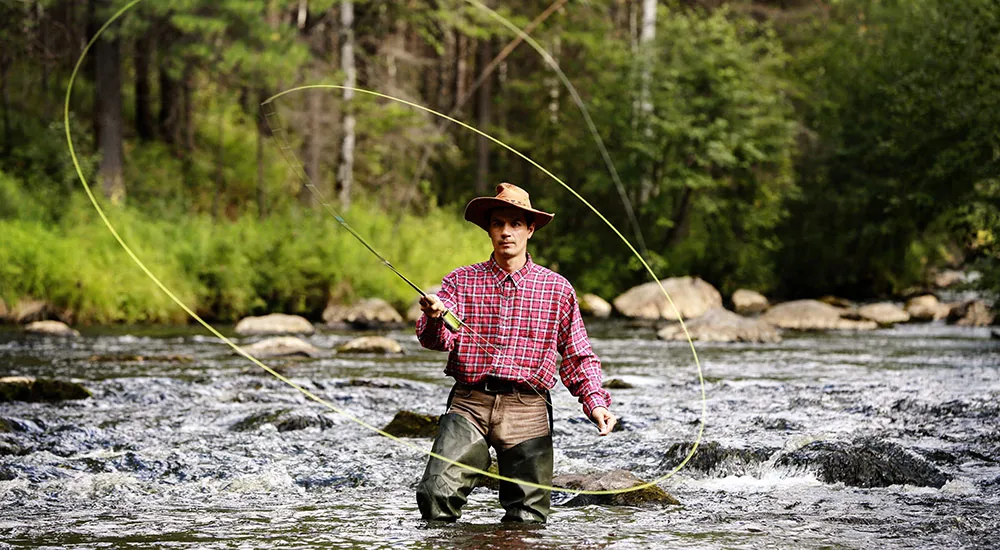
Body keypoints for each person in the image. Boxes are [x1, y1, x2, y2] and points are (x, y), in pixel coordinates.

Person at [415, 182, 616, 523]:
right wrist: (434, 319)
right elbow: (436, 340)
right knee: (436, 496)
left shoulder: (557, 289)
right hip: (470, 403)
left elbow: (576, 354)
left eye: (516, 224)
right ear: (489, 230)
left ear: (530, 229)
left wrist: (595, 403)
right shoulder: (460, 281)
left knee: (528, 520)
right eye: (498, 224)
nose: (506, 232)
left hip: (528, 409)